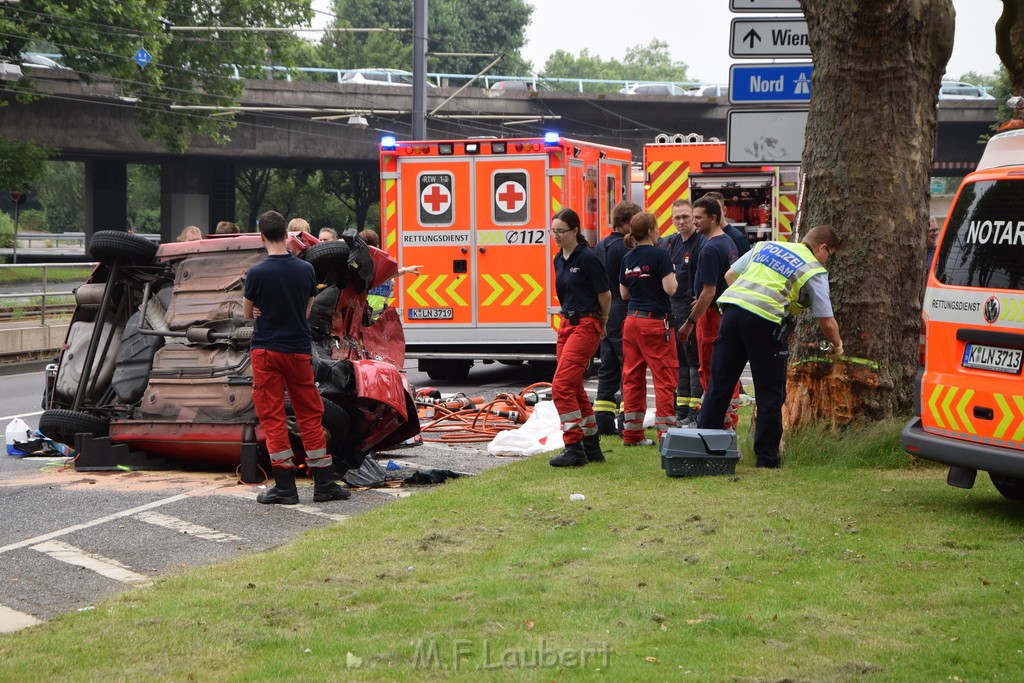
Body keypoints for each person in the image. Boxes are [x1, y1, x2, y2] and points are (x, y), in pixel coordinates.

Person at [697, 225, 844, 468]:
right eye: (830, 255)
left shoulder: (767, 246)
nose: (827, 260)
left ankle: (701, 449)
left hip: (732, 314)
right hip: (764, 322)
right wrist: (838, 346)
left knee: (720, 385)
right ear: (823, 248)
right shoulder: (813, 269)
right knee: (770, 393)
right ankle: (766, 458)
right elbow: (826, 320)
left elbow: (729, 277)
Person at [243, 210, 350, 505]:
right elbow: (306, 310)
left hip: (266, 350)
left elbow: (246, 312)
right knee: (310, 414)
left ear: (262, 236)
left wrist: (257, 311)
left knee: (273, 416)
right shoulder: (305, 271)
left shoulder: (256, 273)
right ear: (288, 236)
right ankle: (324, 485)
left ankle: (286, 487)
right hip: (298, 351)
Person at [549, 208, 610, 467]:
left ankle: (573, 447)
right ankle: (590, 445)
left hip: (586, 324)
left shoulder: (588, 258)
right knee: (573, 386)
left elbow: (605, 295)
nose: (556, 236)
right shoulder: (558, 259)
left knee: (561, 386)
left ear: (575, 231)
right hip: (567, 323)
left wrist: (602, 322)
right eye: (553, 231)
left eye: (561, 231)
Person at [678, 196, 741, 430]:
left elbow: (708, 292)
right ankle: (725, 421)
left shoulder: (710, 249)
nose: (694, 222)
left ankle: (719, 423)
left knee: (709, 369)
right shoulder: (728, 242)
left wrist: (690, 322)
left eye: (698, 218)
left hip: (712, 316)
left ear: (713, 218)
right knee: (724, 368)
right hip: (725, 312)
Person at [619, 211, 679, 446]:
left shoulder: (628, 257)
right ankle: (667, 435)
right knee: (664, 377)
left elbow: (624, 293)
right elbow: (671, 289)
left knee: (632, 377)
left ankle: (632, 434)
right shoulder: (660, 255)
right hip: (654, 322)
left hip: (631, 321)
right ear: (652, 230)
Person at [593, 200, 641, 435]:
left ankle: (602, 420)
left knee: (608, 366)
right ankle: (627, 422)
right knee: (628, 367)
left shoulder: (600, 246)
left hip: (605, 312)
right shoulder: (625, 247)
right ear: (625, 223)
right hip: (622, 308)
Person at [658, 199, 705, 426]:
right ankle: (682, 409)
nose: (681, 221)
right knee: (681, 362)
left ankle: (696, 410)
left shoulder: (701, 242)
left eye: (686, 217)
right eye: (677, 218)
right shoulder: (671, 243)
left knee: (695, 362)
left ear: (693, 218)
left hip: (692, 309)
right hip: (674, 308)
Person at [358, 228, 423, 320]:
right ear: (377, 246)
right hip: (376, 323)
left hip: (359, 321)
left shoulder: (356, 268)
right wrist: (405, 270)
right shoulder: (385, 268)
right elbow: (390, 274)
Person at [703, 191, 751, 258]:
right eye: (708, 211)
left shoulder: (738, 239)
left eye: (716, 210)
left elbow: (746, 267)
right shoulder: (703, 236)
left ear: (724, 210)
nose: (713, 215)